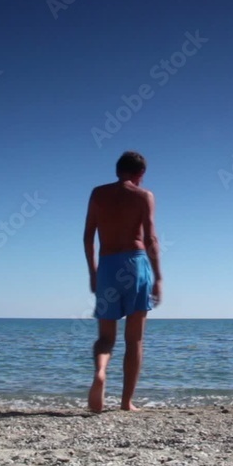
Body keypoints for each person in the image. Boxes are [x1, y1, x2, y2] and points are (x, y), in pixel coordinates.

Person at [83, 151, 162, 412]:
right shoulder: (143, 196)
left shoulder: (98, 194)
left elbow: (88, 237)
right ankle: (126, 402)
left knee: (106, 337)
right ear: (140, 174)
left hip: (107, 266)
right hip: (135, 264)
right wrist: (158, 276)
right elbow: (150, 238)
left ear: (118, 170)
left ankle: (101, 372)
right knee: (134, 340)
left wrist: (93, 272)